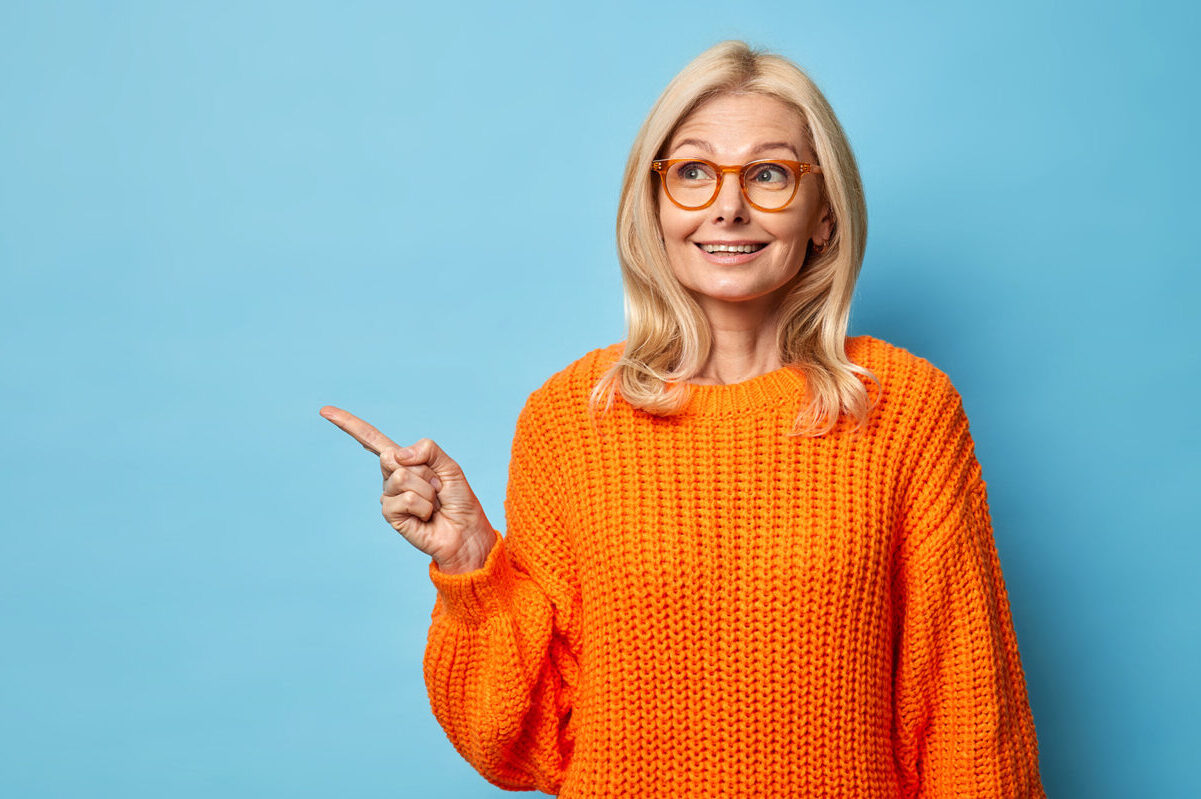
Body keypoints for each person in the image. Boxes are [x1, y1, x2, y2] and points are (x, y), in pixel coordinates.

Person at [320, 40, 1047, 798]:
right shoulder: (569, 417)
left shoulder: (903, 405)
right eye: (693, 172)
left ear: (823, 214)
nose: (727, 205)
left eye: (769, 174)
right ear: (657, 204)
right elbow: (526, 741)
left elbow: (966, 712)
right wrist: (471, 562)